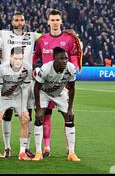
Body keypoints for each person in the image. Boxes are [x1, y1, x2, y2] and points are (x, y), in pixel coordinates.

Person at [32, 9, 82, 158]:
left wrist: (72, 71)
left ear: (61, 21)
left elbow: (73, 55)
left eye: (57, 20)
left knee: (67, 115)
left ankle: (70, 149)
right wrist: (33, 68)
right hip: (45, 83)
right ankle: (46, 147)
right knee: (45, 115)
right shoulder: (42, 39)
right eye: (52, 20)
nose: (54, 22)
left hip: (61, 84)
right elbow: (36, 56)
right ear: (48, 22)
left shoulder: (68, 38)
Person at [0, 12, 38, 158]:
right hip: (8, 79)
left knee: (28, 114)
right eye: (16, 20)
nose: (19, 22)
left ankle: (25, 148)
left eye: (22, 20)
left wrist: (69, 34)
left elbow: (49, 37)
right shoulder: (3, 35)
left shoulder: (32, 35)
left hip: (26, 80)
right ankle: (7, 147)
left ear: (25, 21)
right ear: (11, 21)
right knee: (6, 114)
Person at [33, 47, 80, 162]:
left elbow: (72, 88)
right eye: (61, 59)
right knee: (39, 117)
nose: (64, 61)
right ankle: (38, 152)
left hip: (60, 93)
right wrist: (38, 108)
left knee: (70, 117)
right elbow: (37, 87)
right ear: (54, 58)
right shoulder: (45, 69)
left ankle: (72, 153)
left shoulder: (71, 68)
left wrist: (70, 108)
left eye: (66, 58)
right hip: (44, 92)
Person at [0, 47, 32, 161]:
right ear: (10, 57)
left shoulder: (27, 68)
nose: (18, 61)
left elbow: (25, 89)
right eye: (15, 58)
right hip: (3, 97)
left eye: (20, 58)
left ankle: (22, 152)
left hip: (17, 97)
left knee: (25, 119)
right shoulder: (2, 69)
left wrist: (24, 108)